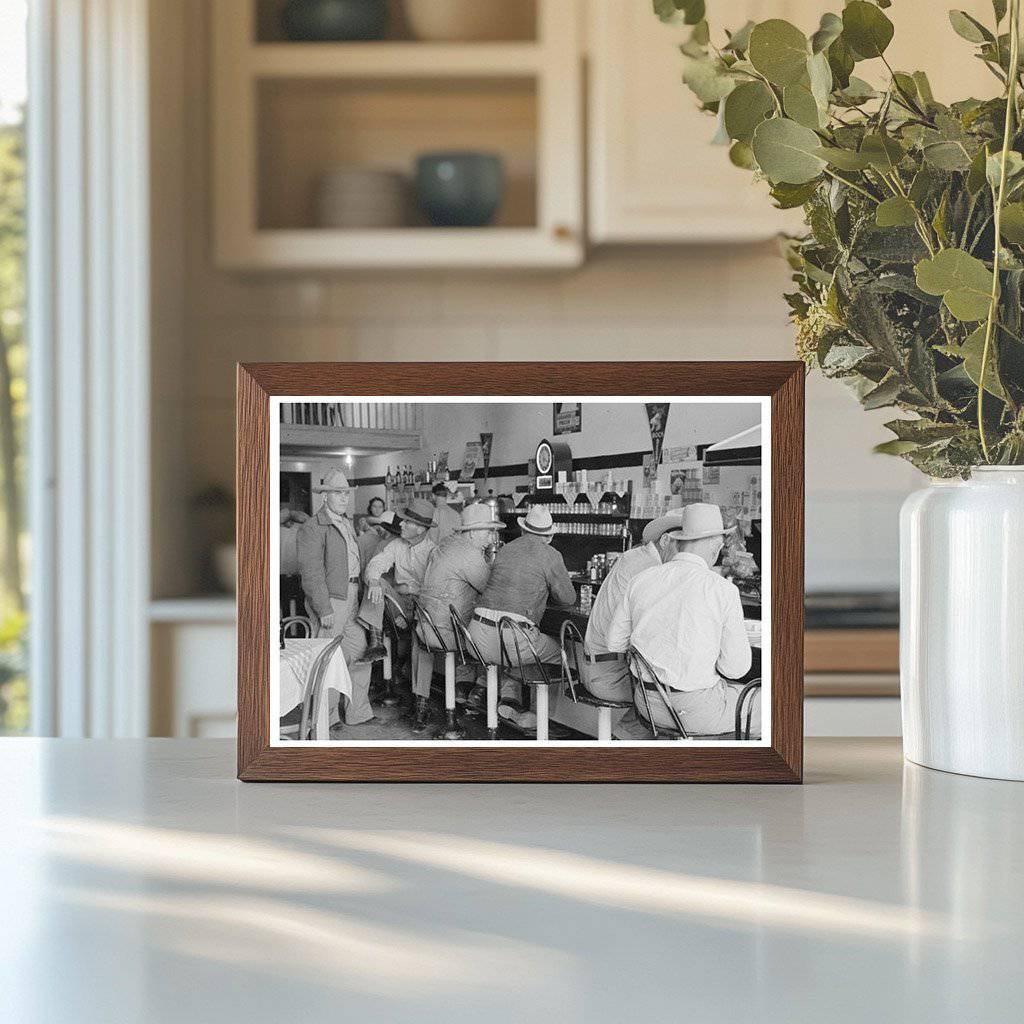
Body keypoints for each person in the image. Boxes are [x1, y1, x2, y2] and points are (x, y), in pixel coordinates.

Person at [606, 503, 756, 737]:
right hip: (696, 710)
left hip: (647, 703)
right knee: (775, 706)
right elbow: (736, 669)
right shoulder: (722, 589)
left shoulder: (641, 580)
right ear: (716, 546)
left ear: (679, 541)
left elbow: (614, 642)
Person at [579, 509, 689, 738]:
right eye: (683, 545)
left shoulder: (636, 556)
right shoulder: (651, 569)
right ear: (666, 540)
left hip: (597, 667)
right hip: (609, 675)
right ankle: (626, 742)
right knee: (675, 702)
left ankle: (625, 738)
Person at [469, 506, 576, 731]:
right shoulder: (551, 554)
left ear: (523, 530)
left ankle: (511, 701)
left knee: (515, 652)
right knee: (561, 653)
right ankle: (538, 717)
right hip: (512, 638)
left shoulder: (506, 549)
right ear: (549, 536)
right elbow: (568, 598)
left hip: (476, 635)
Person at [410, 504, 504, 731]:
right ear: (472, 532)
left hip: (425, 628)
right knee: (502, 643)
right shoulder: (469, 553)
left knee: (473, 628)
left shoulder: (445, 545)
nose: (491, 536)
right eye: (487, 531)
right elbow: (489, 588)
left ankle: (464, 689)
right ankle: (484, 695)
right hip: (445, 634)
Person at [296, 469, 373, 726]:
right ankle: (323, 720)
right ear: (324, 496)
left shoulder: (344, 521)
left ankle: (357, 712)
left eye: (345, 493)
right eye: (337, 493)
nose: (343, 498)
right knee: (326, 660)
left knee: (360, 651)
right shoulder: (313, 527)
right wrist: (323, 607)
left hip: (351, 596)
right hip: (331, 600)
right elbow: (311, 573)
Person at [361, 498, 439, 718]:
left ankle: (420, 704)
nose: (401, 525)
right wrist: (376, 581)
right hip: (399, 605)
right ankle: (376, 641)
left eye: (406, 523)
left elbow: (434, 589)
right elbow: (376, 564)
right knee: (378, 582)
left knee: (421, 643)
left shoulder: (435, 551)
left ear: (421, 528)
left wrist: (409, 587)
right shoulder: (396, 545)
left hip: (424, 609)